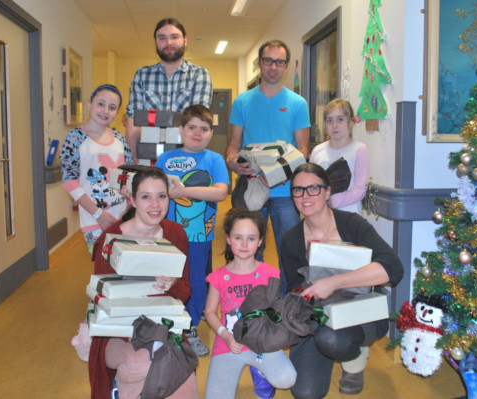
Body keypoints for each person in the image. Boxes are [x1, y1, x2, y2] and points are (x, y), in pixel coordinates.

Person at [280, 163, 404, 397]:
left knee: (333, 340)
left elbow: (393, 268)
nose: (305, 196)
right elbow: (291, 289)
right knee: (305, 393)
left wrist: (335, 282)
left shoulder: (351, 224)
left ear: (327, 192)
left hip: (362, 310)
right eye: (298, 190)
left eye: (313, 189)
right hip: (318, 314)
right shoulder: (291, 239)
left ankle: (355, 360)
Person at [87, 167, 197, 399]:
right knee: (143, 363)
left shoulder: (176, 234)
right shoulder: (110, 240)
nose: (155, 205)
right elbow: (101, 300)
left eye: (161, 196)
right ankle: (120, 386)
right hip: (119, 331)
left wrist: (172, 284)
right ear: (132, 200)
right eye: (145, 196)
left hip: (163, 325)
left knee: (183, 378)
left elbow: (185, 291)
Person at [226, 39, 310, 293]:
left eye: (279, 61)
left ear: (286, 66)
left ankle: (286, 308)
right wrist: (233, 163)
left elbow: (303, 151)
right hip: (252, 191)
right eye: (268, 60)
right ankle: (255, 303)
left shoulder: (297, 103)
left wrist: (279, 174)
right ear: (260, 64)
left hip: (286, 192)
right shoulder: (242, 102)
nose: (273, 66)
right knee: (249, 251)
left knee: (289, 253)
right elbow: (232, 146)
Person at [155, 104, 229, 356]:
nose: (197, 133)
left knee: (195, 280)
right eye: (192, 128)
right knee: (166, 279)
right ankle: (167, 328)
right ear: (181, 130)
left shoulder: (214, 159)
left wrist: (183, 191)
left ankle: (191, 327)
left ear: (211, 132)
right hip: (165, 234)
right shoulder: (165, 159)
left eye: (204, 129)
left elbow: (220, 192)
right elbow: (154, 191)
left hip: (199, 237)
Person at [204, 207, 297, 399]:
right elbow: (210, 312)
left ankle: (261, 374)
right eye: (238, 238)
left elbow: (275, 310)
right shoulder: (218, 276)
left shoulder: (271, 273)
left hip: (262, 344)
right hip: (229, 344)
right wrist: (226, 337)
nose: (244, 244)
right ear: (228, 239)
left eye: (251, 238)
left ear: (260, 241)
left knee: (287, 379)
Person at [125, 17, 213, 162]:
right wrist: (132, 154)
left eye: (174, 37)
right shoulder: (142, 75)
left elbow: (199, 121)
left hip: (186, 158)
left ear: (185, 40)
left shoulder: (199, 75)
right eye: (162, 38)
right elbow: (133, 119)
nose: (168, 42)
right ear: (156, 42)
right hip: (148, 158)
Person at [60, 84, 132, 254]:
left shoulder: (120, 140)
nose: (105, 110)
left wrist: (129, 207)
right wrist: (98, 214)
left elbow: (125, 178)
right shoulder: (75, 137)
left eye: (112, 107)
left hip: (122, 217)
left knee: (122, 268)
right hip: (93, 219)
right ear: (89, 104)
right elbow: (69, 181)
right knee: (102, 266)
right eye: (101, 104)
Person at [310, 98, 369, 214]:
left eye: (340, 119)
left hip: (349, 216)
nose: (334, 125)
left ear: (352, 122)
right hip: (321, 215)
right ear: (325, 124)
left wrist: (330, 201)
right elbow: (312, 183)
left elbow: (359, 190)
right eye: (330, 120)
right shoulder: (317, 151)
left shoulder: (359, 150)